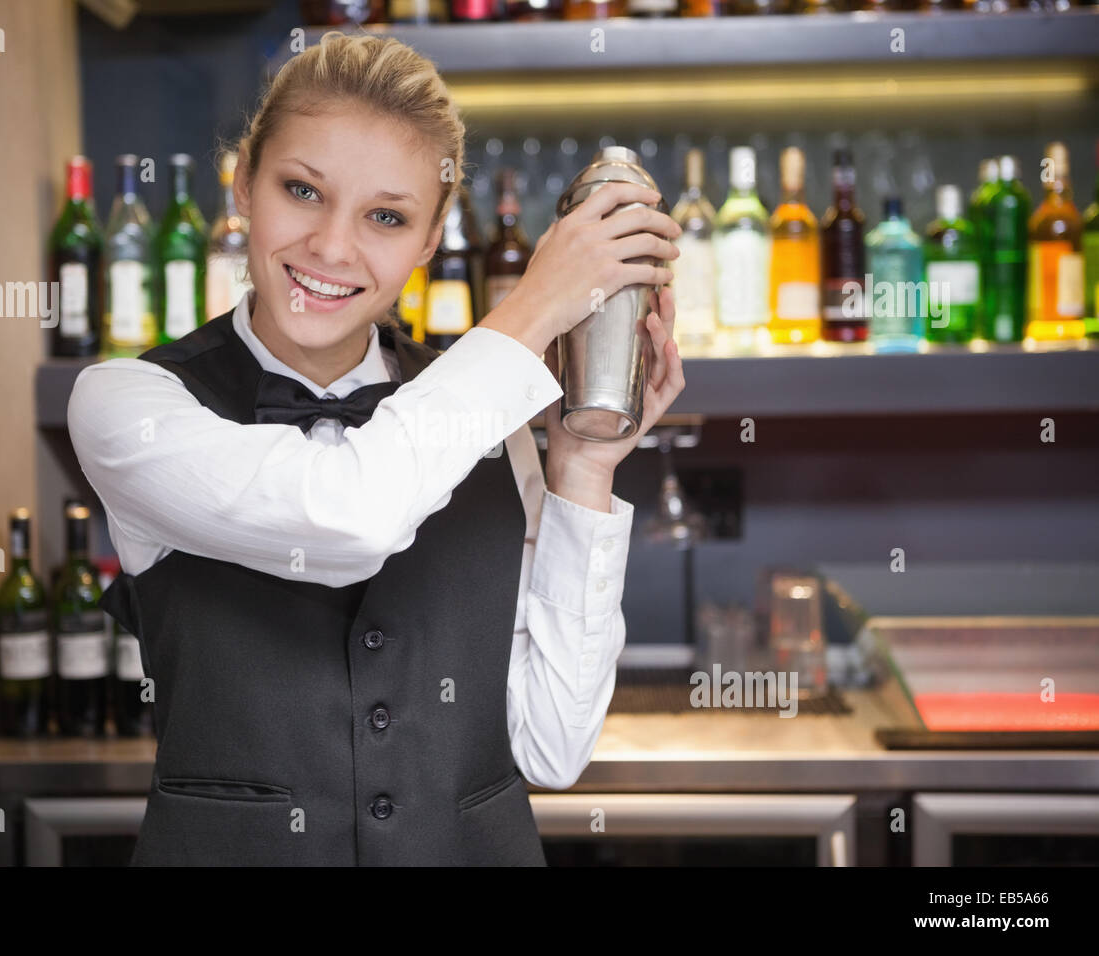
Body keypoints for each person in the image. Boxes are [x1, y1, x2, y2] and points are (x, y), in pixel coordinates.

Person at [66, 31, 684, 866]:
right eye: (301, 190)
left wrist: (584, 465)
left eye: (386, 216)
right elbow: (349, 515)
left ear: (431, 240)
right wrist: (536, 305)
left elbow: (550, 747)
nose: (331, 248)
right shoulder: (126, 404)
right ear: (243, 180)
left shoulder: (493, 419)